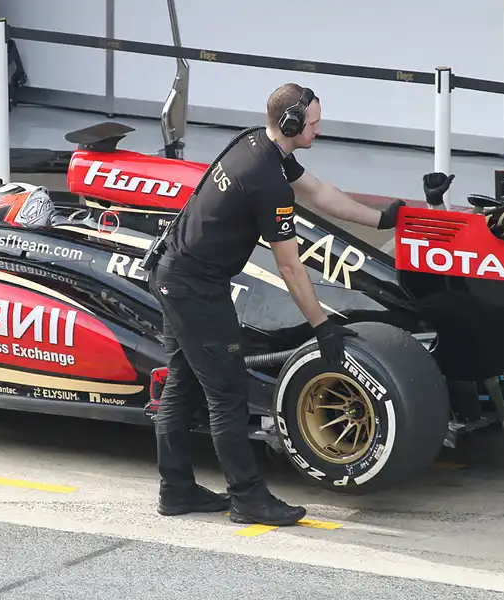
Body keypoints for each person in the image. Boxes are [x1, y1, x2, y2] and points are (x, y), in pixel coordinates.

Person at [148, 82, 449, 527]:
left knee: (183, 381)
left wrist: (388, 215)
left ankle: (176, 490)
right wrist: (321, 325)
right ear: (290, 122)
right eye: (313, 123)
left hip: (174, 272)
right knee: (227, 392)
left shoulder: (258, 144)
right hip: (193, 287)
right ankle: (246, 497)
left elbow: (321, 192)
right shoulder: (267, 182)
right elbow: (290, 267)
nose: (318, 130)